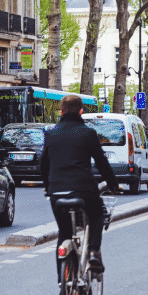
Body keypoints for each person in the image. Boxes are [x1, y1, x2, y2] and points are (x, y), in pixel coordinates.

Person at [40, 94, 120, 277]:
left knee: (64, 232)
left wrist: (48, 186)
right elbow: (101, 163)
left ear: (60, 112)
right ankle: (93, 251)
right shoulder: (88, 133)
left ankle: (63, 279)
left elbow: (43, 165)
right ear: (81, 111)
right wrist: (113, 184)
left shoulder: (51, 134)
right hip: (84, 189)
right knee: (97, 215)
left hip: (56, 191)